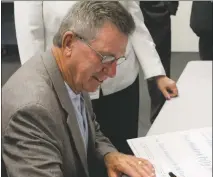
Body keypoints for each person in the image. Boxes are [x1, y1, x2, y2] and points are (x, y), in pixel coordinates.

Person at [2, 2, 203, 177]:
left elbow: (89, 129)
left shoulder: (74, 73)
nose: (113, 71)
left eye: (118, 60)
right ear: (69, 42)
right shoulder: (32, 108)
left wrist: (109, 155)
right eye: (107, 58)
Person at [14, 1, 178, 155]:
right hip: (70, 83)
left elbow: (133, 18)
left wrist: (157, 73)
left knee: (123, 153)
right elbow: (30, 32)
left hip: (121, 80)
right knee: (78, 157)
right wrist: (38, 85)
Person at [140, 1, 179, 123]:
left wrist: (167, 5)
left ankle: (159, 119)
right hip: (117, 12)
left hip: (154, 9)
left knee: (160, 66)